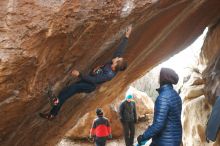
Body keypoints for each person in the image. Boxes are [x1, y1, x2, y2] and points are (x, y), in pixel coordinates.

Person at [39, 25, 133, 120]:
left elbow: (94, 80)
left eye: (117, 59)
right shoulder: (115, 65)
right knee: (66, 91)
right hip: (88, 79)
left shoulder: (109, 75)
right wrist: (127, 36)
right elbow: (120, 50)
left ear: (114, 66)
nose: (117, 57)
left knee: (73, 88)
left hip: (90, 85)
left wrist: (79, 74)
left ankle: (55, 106)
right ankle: (53, 113)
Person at [137, 68, 182, 146]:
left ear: (163, 78)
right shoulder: (175, 95)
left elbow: (159, 124)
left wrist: (143, 137)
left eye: (159, 75)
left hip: (164, 141)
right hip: (175, 139)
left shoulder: (163, 97)